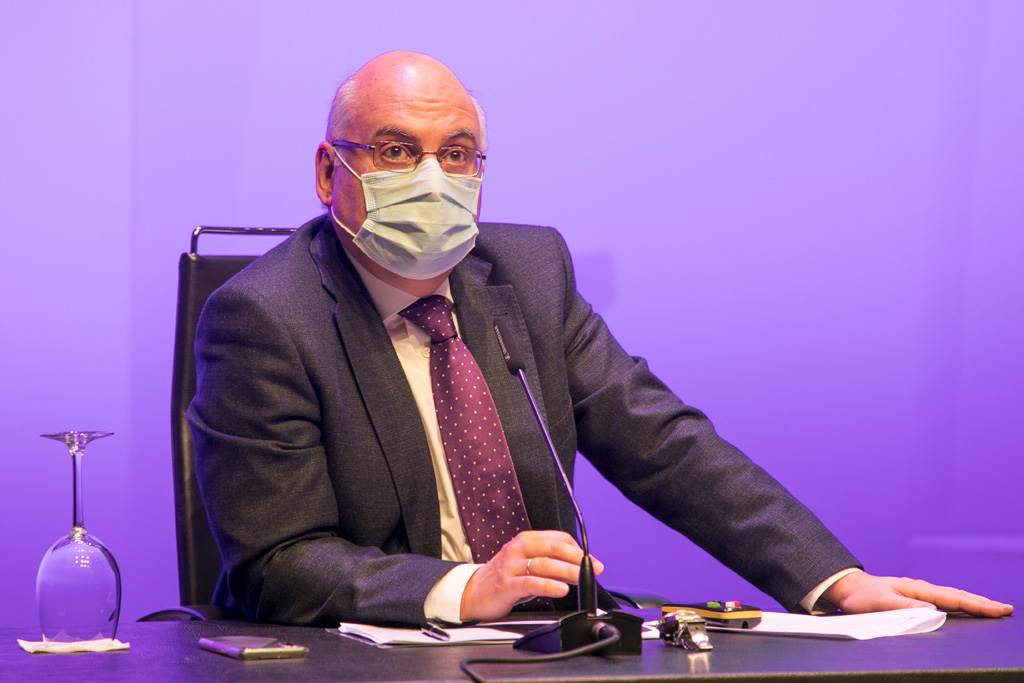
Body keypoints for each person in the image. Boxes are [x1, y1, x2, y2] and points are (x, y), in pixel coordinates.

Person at [189, 51, 1012, 627]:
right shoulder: (263, 318)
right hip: (373, 659)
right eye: (398, 151)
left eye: (459, 154)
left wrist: (832, 579)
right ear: (330, 172)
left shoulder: (529, 273)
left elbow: (666, 445)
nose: (433, 179)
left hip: (554, 648)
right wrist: (464, 588)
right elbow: (278, 560)